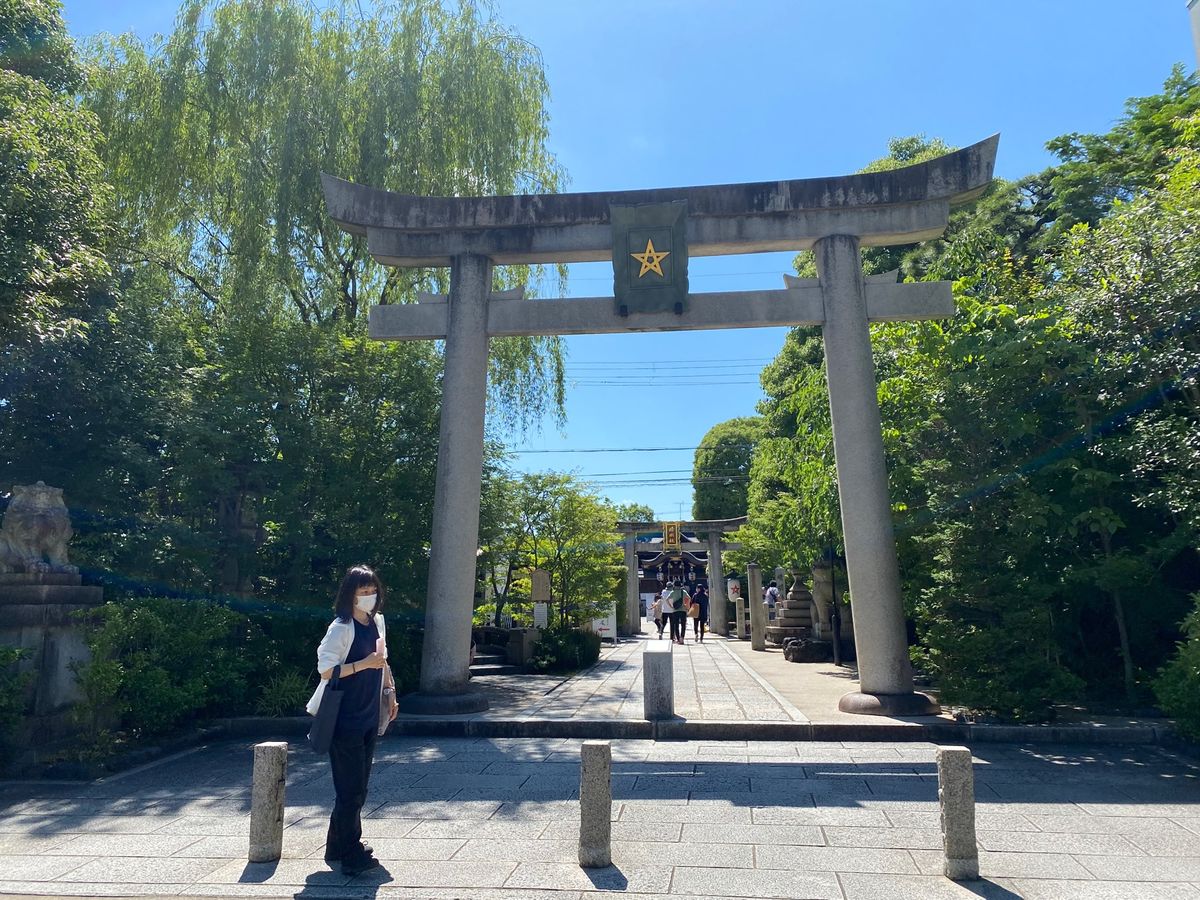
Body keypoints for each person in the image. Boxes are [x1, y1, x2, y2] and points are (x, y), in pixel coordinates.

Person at [310, 564, 398, 876]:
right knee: (351, 790)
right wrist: (363, 664)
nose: (369, 596)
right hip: (343, 718)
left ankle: (337, 846)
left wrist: (390, 692)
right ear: (350, 594)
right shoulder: (341, 628)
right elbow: (326, 670)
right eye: (363, 592)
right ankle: (351, 853)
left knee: (357, 787)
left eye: (373, 591)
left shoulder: (377, 622)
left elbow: (382, 661)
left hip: (368, 714)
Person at [666, 580, 690, 644]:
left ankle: (678, 639)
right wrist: (686, 606)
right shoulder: (683, 591)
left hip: (675, 610)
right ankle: (682, 638)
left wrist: (671, 606)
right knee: (683, 624)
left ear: (674, 585)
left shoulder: (672, 592)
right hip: (683, 610)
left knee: (676, 625)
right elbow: (689, 598)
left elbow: (667, 599)